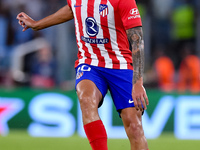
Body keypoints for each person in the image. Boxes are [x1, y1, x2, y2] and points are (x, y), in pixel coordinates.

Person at [17, 0, 149, 149]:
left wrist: (138, 82)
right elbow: (71, 9)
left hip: (121, 65)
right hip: (89, 63)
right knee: (86, 100)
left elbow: (137, 40)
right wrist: (37, 24)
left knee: (134, 127)